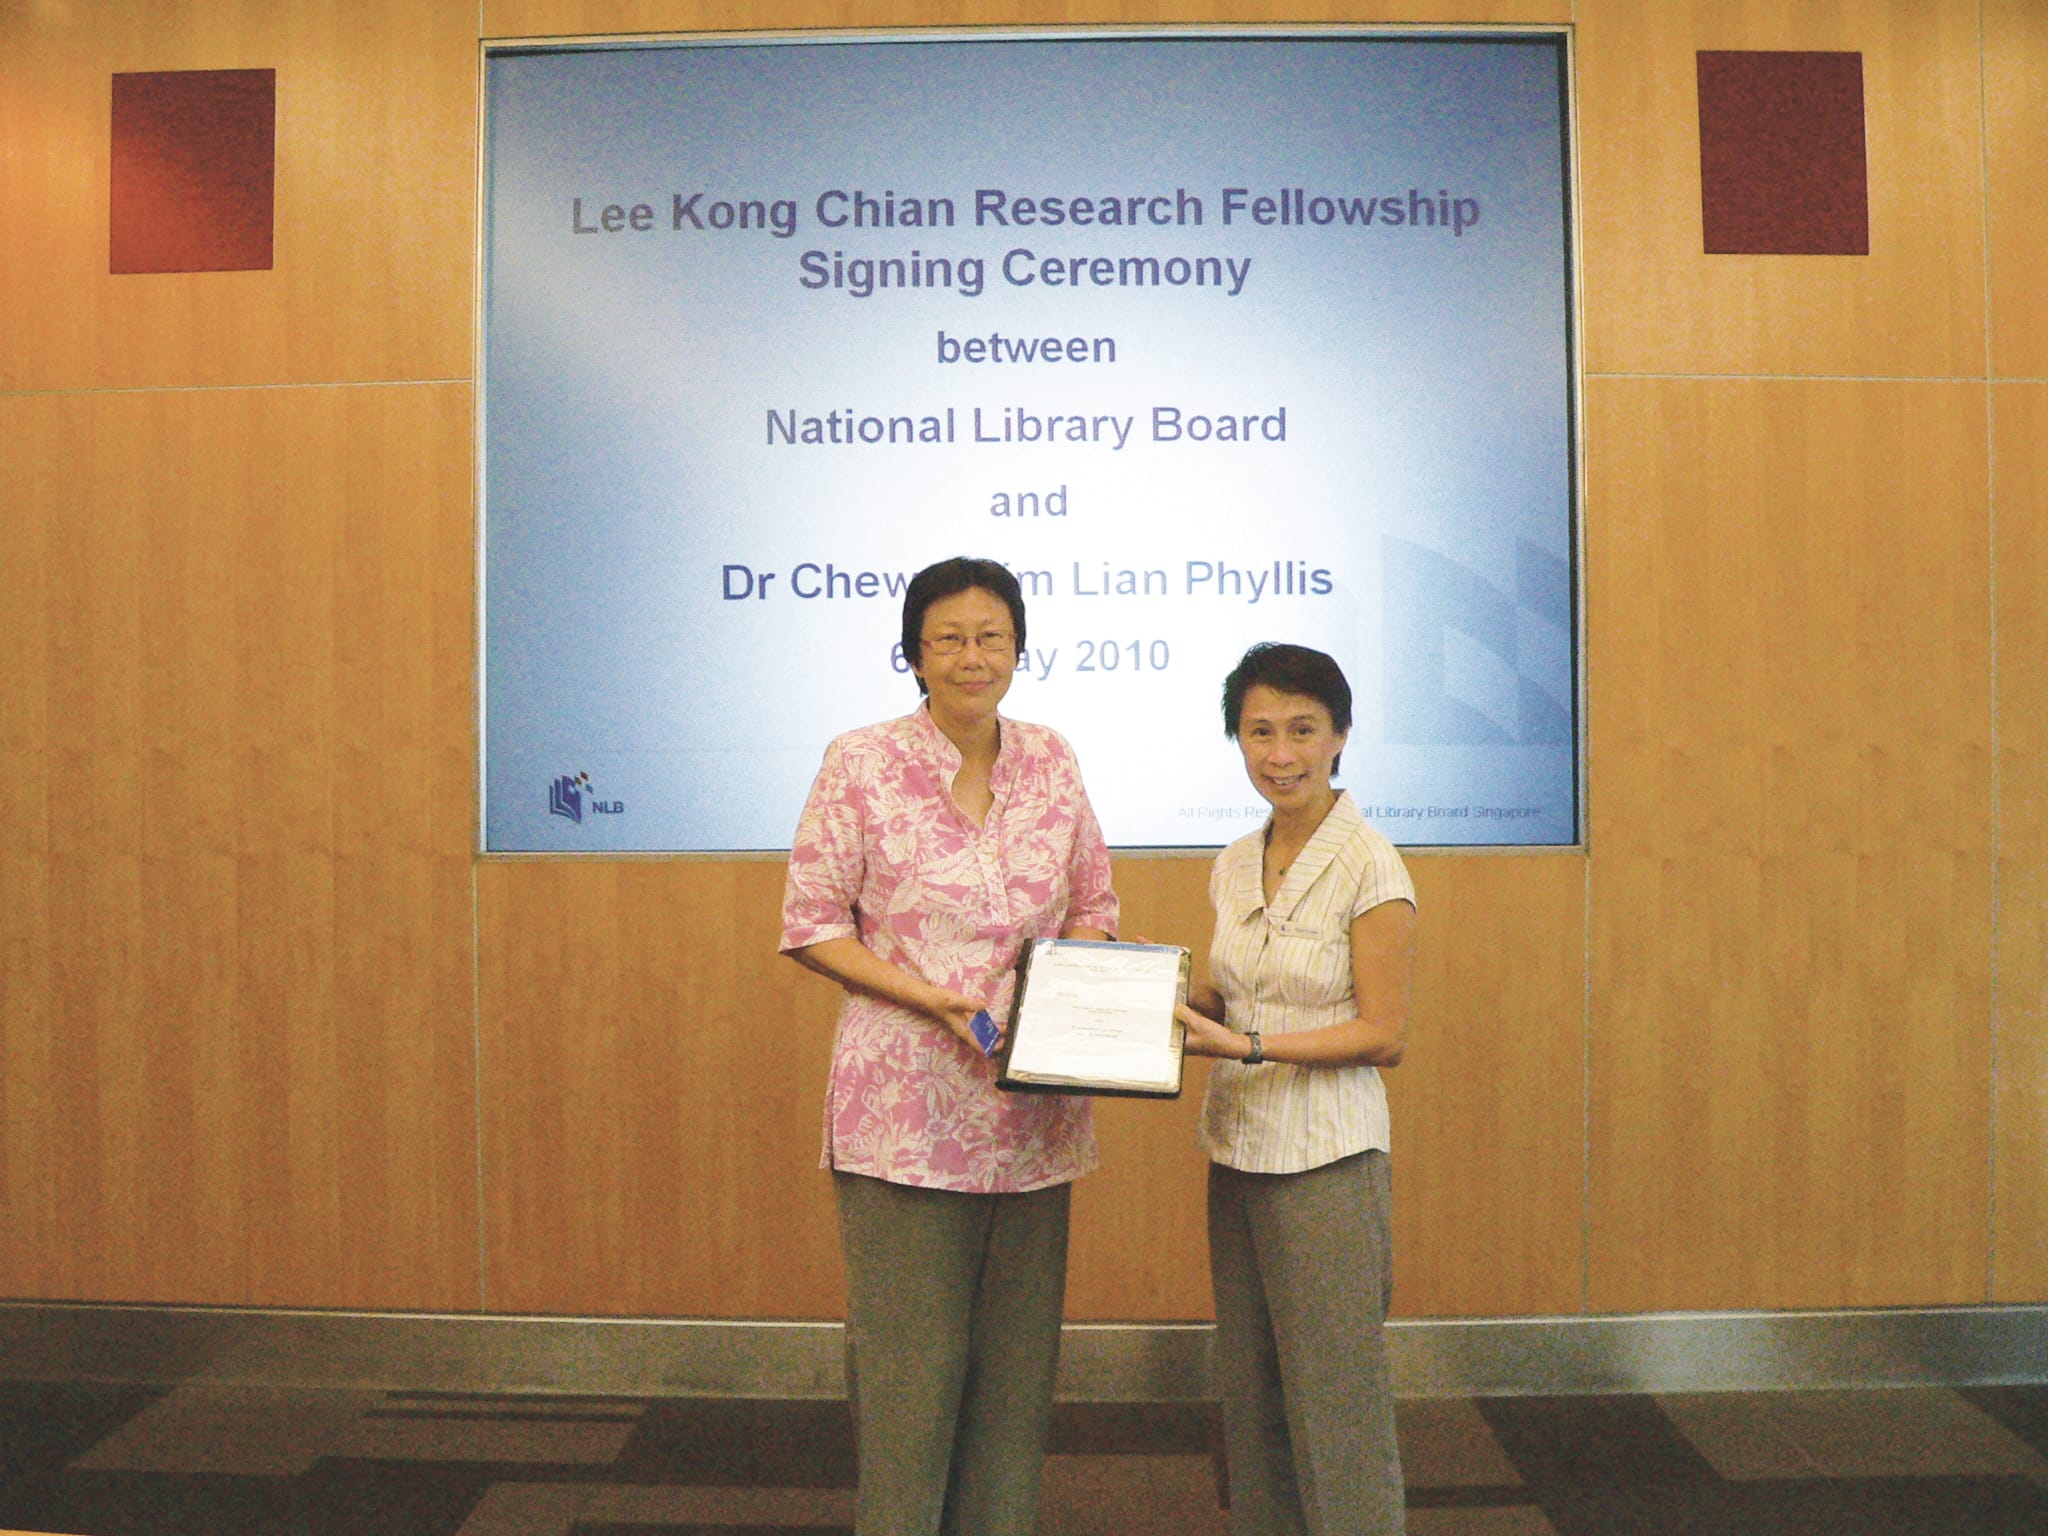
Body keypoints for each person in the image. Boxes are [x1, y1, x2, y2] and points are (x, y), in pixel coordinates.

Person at [779, 555, 1118, 1536]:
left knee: (1014, 1386)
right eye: (947, 640)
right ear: (913, 654)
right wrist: (935, 999)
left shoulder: (1052, 757)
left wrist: (1047, 984)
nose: (971, 657)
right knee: (908, 1388)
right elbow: (811, 925)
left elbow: (1094, 904)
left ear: (1018, 648)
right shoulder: (861, 760)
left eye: (990, 638)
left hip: (1031, 1110)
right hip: (904, 1117)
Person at [1174, 642, 1416, 1536]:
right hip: (1238, 1150)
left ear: (1341, 737)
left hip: (1329, 1159)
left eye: (1303, 730)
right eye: (1260, 731)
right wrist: (1143, 1001)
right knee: (1254, 1388)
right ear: (1237, 739)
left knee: (1336, 1400)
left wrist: (1249, 1043)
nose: (1282, 753)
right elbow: (1231, 993)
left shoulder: (1372, 865)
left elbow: (1383, 1034)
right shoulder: (1237, 859)